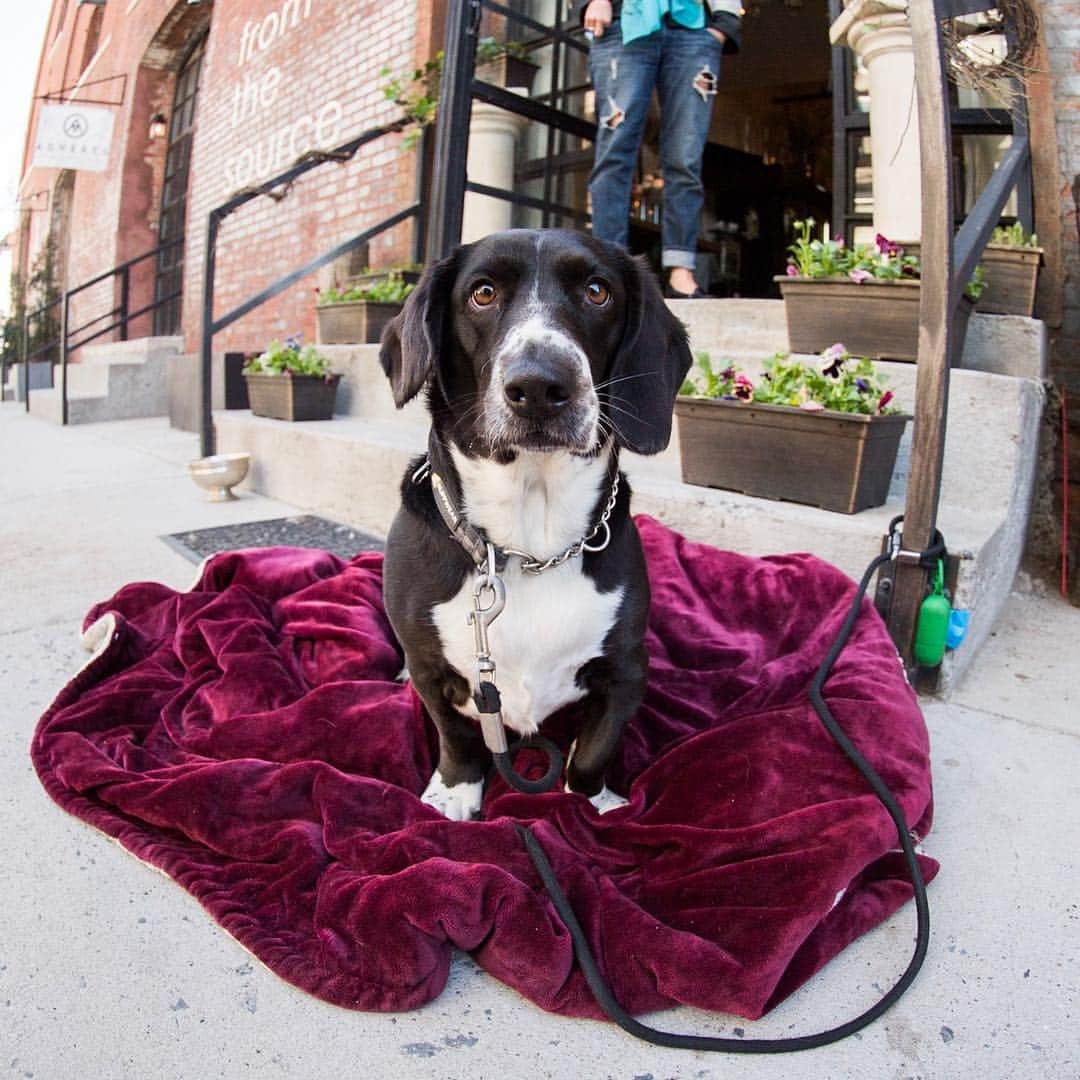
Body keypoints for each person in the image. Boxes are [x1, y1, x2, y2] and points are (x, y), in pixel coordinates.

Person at [580, 0, 742, 298]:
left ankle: (681, 272)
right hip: (622, 21)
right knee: (614, 154)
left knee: (685, 158)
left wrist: (723, 25)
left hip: (693, 30)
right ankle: (607, 270)